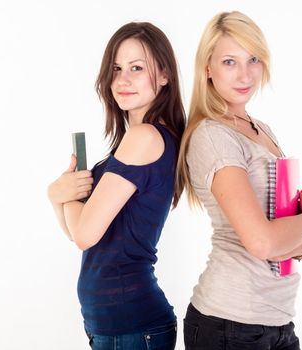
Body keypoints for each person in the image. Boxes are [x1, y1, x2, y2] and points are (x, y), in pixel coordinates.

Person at [174, 11, 302, 349]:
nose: (245, 74)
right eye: (230, 61)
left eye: (253, 59)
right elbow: (264, 243)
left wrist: (300, 240)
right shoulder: (213, 135)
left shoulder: (261, 130)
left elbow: (290, 239)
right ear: (208, 69)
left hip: (278, 320)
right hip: (231, 324)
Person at [47, 22, 186, 350]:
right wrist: (59, 198)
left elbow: (84, 233)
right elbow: (81, 234)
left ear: (164, 74)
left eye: (137, 68)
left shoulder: (145, 137)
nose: (123, 79)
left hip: (133, 327)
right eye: (117, 68)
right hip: (117, 327)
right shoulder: (133, 140)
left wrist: (64, 192)